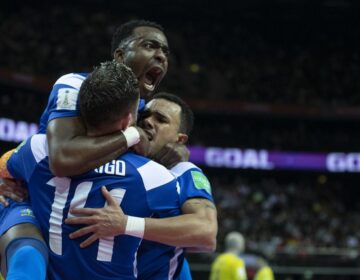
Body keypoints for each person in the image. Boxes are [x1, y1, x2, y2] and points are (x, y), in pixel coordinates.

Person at [0, 19, 185, 279]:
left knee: (173, 256)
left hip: (77, 212)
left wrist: (178, 155)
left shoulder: (144, 111)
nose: (161, 56)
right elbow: (62, 158)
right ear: (120, 55)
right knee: (28, 256)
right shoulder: (75, 85)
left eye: (165, 51)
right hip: (31, 198)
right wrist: (132, 134)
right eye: (150, 46)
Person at [65, 92, 218, 279]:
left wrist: (126, 224)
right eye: (144, 115)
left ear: (180, 140)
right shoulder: (114, 155)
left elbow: (205, 232)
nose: (148, 121)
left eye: (161, 120)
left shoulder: (183, 171)